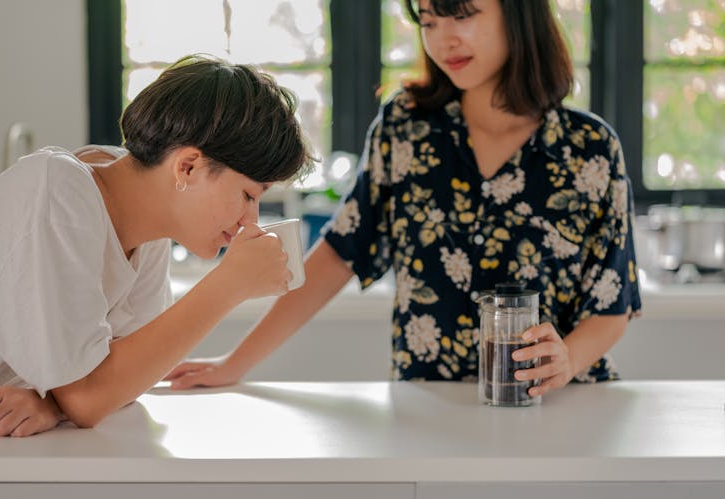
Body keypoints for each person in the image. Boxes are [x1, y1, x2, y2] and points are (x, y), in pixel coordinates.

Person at [165, 0, 642, 394]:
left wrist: (567, 360)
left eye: (463, 15)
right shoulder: (405, 127)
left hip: (562, 408)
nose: (442, 39)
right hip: (427, 405)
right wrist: (236, 363)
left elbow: (612, 304)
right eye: (430, 21)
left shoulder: (590, 149)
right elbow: (338, 254)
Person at [0, 54, 312, 436]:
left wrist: (55, 403)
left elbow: (128, 380)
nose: (249, 221)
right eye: (249, 195)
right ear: (188, 167)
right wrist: (229, 284)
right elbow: (88, 397)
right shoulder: (59, 192)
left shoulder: (148, 229)